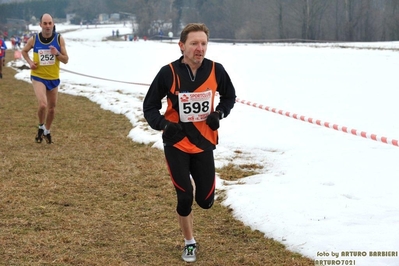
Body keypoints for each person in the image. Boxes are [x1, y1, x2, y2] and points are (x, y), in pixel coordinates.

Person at [143, 23, 236, 262]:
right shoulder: (168, 73)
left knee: (205, 202)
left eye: (203, 43)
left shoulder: (217, 70)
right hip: (177, 144)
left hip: (204, 143)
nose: (200, 48)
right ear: (182, 46)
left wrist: (219, 114)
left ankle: (198, 198)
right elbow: (150, 106)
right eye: (194, 43)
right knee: (184, 197)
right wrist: (164, 125)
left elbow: (229, 97)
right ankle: (189, 242)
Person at [21, 13, 69, 144]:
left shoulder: (59, 39)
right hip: (38, 77)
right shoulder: (34, 39)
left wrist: (57, 53)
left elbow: (66, 60)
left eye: (50, 23)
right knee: (43, 104)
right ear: (40, 24)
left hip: (53, 77)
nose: (47, 26)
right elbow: (24, 51)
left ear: (53, 24)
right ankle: (41, 126)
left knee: (52, 108)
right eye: (45, 23)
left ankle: (47, 131)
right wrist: (30, 62)